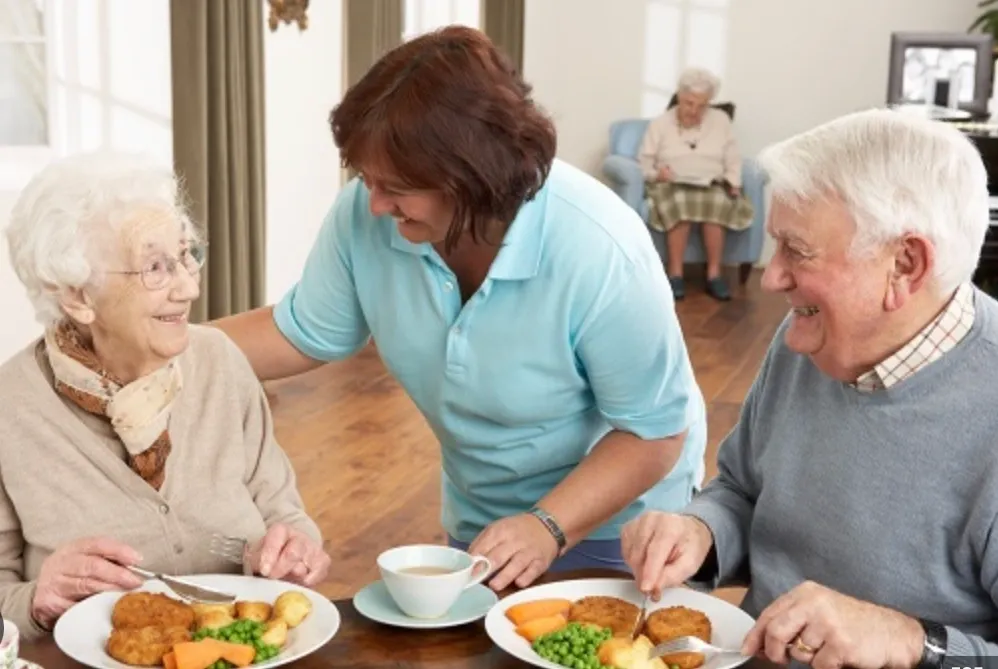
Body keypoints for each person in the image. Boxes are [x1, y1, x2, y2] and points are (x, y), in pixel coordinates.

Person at [212, 25, 707, 592]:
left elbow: (653, 433)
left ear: (473, 177)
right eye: (365, 179)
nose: (373, 203)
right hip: (486, 518)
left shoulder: (599, 246)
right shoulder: (369, 215)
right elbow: (300, 332)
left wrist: (549, 525)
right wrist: (159, 347)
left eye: (395, 185)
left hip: (623, 527)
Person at [621, 108, 998, 667]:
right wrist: (700, 532)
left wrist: (909, 641)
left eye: (796, 250)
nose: (771, 277)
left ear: (906, 263)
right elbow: (743, 489)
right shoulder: (809, 337)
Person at [0, 152, 331, 639]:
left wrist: (296, 548)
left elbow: (283, 511)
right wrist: (36, 600)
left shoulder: (219, 361)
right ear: (76, 296)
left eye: (186, 256)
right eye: (155, 267)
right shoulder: (11, 407)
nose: (189, 286)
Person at [638, 67, 754, 302]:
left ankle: (714, 275)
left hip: (711, 183)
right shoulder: (660, 124)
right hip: (670, 184)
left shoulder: (720, 121)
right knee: (680, 203)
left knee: (717, 203)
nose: (694, 110)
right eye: (689, 103)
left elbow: (733, 157)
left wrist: (733, 182)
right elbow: (644, 162)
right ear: (679, 96)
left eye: (702, 105)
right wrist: (656, 174)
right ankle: (675, 274)